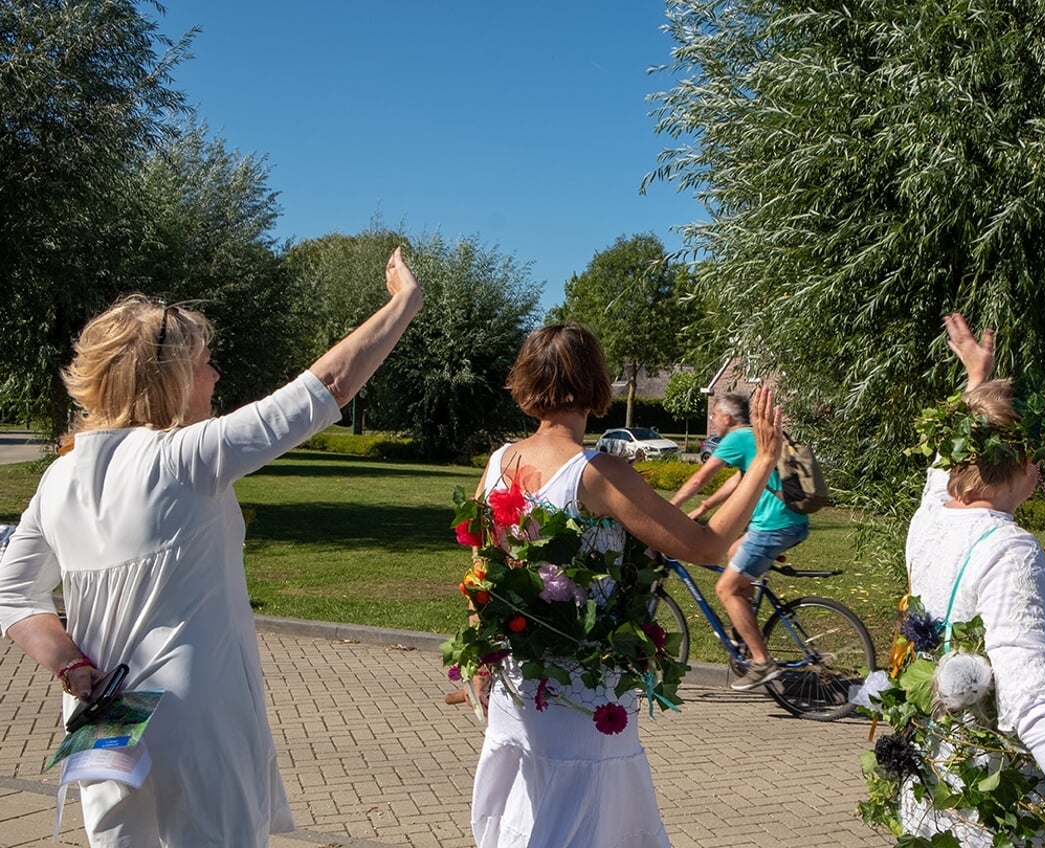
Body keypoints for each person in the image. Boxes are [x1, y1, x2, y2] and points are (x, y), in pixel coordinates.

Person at [0, 248, 424, 847]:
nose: (216, 376)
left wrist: (69, 663)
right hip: (195, 717)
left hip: (103, 722)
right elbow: (326, 386)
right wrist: (404, 304)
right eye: (206, 362)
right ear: (169, 377)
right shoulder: (186, 457)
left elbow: (13, 593)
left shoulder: (58, 477)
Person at [469, 323, 784, 848]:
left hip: (514, 679)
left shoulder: (500, 462)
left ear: (527, 381)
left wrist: (482, 657)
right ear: (594, 382)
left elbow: (484, 571)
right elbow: (705, 547)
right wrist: (764, 463)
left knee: (523, 816)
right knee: (588, 823)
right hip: (580, 693)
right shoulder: (595, 472)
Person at [899, 313, 1045, 848]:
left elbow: (941, 469)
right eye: (1041, 458)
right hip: (995, 794)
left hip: (937, 772)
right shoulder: (1010, 549)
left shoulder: (932, 517)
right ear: (1025, 458)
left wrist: (977, 378)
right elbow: (1028, 692)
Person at [667, 392, 809, 690]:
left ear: (727, 418)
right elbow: (739, 481)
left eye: (714, 415)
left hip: (773, 526)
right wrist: (705, 508)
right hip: (792, 522)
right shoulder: (754, 437)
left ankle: (761, 662)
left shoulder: (736, 437)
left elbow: (699, 480)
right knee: (732, 550)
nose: (712, 420)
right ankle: (742, 627)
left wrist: (668, 511)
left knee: (725, 588)